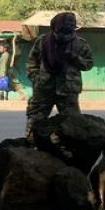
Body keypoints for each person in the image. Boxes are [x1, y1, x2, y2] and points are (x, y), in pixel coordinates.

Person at [25, 12, 93, 140]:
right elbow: (32, 62)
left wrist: (75, 58)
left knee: (72, 123)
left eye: (72, 24)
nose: (70, 26)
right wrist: (36, 79)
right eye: (66, 23)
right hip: (44, 89)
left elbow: (88, 64)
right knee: (35, 120)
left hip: (68, 91)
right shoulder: (42, 41)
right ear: (56, 25)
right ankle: (31, 147)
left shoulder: (80, 44)